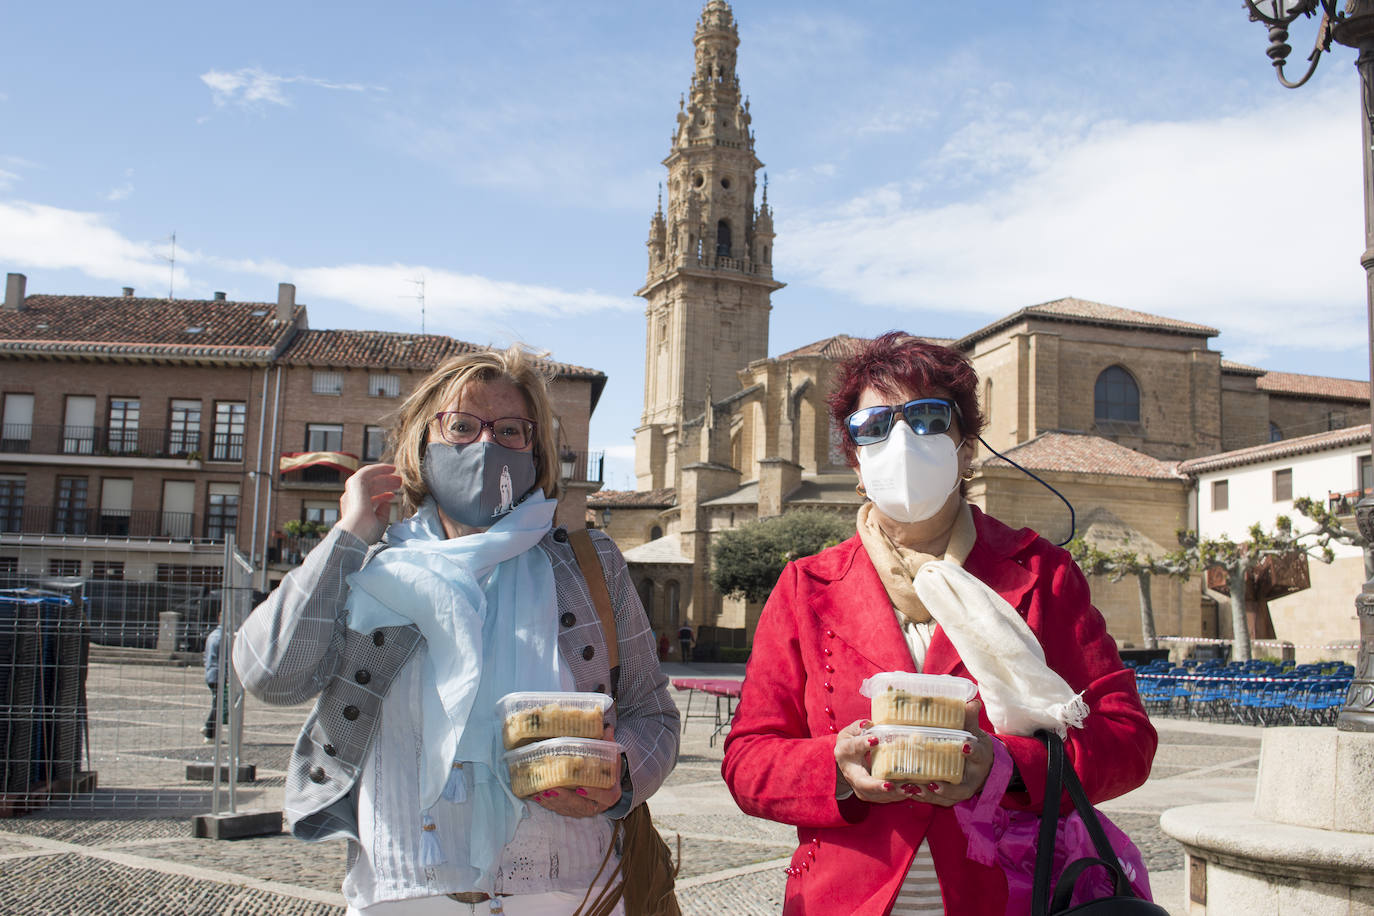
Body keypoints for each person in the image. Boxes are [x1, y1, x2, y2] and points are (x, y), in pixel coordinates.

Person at [234, 345, 680, 915]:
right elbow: (270, 674)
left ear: (536, 450)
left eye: (511, 431)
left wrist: (619, 774)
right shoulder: (369, 571)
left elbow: (653, 715)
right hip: (404, 892)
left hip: (568, 891)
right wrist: (347, 535)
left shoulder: (589, 566)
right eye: (462, 427)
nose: (487, 445)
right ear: (423, 444)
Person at [720, 332, 1156, 915]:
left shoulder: (1040, 573)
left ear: (967, 444)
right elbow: (748, 761)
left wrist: (1003, 767)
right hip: (843, 900)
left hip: (1007, 899)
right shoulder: (806, 586)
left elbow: (1127, 740)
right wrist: (837, 767)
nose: (900, 440)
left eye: (927, 417)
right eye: (873, 424)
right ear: (855, 455)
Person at [202, 624, 223, 742]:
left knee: (217, 702)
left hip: (210, 672)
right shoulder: (223, 637)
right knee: (219, 704)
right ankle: (209, 732)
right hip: (218, 674)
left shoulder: (212, 635)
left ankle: (209, 728)